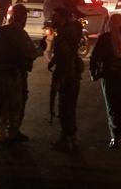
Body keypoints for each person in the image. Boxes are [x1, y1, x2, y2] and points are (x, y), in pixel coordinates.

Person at [0, 4, 45, 148]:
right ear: (21, 17)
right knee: (16, 104)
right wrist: (42, 48)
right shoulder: (19, 33)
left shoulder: (1, 31)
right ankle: (12, 132)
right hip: (13, 75)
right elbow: (31, 53)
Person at [90, 14, 121, 149]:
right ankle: (116, 135)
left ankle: (118, 134)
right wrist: (94, 72)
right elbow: (95, 58)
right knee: (116, 106)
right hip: (113, 77)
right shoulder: (106, 39)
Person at [47, 8, 83, 152]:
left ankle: (67, 138)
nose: (53, 19)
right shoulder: (68, 31)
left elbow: (66, 57)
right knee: (69, 107)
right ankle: (70, 137)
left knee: (66, 108)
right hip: (70, 74)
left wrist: (60, 78)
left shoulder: (65, 33)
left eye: (56, 16)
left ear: (63, 18)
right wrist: (53, 61)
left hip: (67, 76)